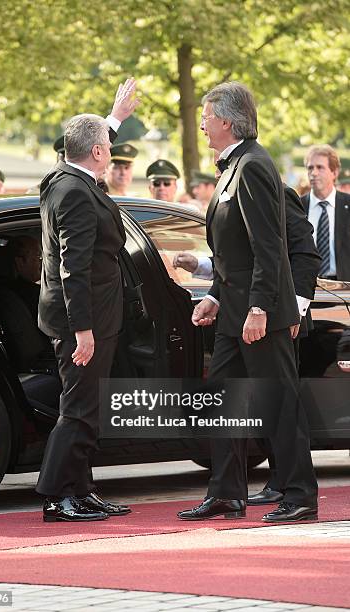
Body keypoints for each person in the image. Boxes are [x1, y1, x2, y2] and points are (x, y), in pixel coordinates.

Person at [178, 81, 318, 524]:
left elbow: (269, 246)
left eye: (206, 116)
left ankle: (299, 495)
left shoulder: (254, 165)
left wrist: (259, 306)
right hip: (233, 315)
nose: (201, 124)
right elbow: (233, 253)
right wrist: (216, 296)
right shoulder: (232, 166)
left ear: (226, 119)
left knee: (278, 403)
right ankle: (225, 493)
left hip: (261, 315)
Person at [36, 78, 139, 522]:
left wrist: (112, 119)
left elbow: (84, 147)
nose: (110, 152)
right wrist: (83, 330)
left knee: (87, 407)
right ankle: (58, 495)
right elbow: (72, 266)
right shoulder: (76, 193)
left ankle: (82, 490)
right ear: (97, 153)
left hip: (87, 316)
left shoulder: (62, 179)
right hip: (86, 320)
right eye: (107, 145)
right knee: (79, 410)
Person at [302, 145, 350, 281]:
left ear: (334, 173)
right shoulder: (296, 207)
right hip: (305, 289)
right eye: (310, 168)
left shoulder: (348, 204)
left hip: (343, 289)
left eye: (320, 167)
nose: (314, 173)